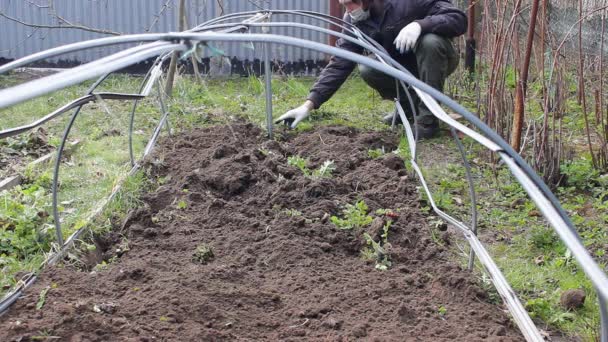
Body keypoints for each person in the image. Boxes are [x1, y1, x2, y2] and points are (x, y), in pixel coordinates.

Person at [276, 0, 466, 139]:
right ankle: (408, 107)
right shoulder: (354, 20)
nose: (349, 9)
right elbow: (341, 61)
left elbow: (458, 18)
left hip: (436, 59)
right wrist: (309, 104)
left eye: (353, 3)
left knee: (430, 42)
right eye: (344, 4)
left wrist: (420, 25)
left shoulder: (407, 3)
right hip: (403, 67)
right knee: (368, 67)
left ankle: (427, 121)